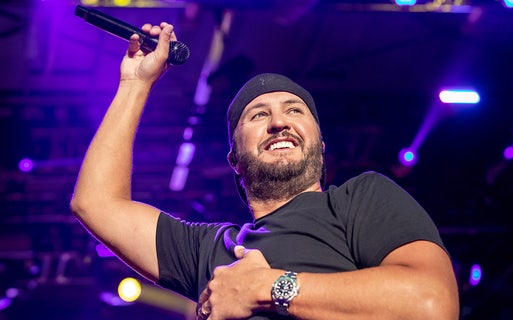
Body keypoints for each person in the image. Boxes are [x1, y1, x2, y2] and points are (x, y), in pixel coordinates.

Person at [70, 22, 459, 320]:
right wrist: (134, 84)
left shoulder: (359, 200)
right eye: (258, 115)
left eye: (294, 110)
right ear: (234, 159)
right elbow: (96, 203)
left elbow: (431, 302)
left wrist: (270, 287)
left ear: (320, 146)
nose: (279, 122)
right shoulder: (211, 251)